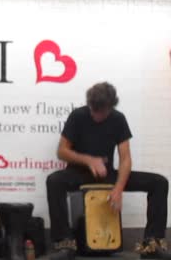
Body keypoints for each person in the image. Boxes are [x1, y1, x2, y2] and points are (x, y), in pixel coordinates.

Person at [46, 82, 170, 260]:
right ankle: (64, 244)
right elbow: (62, 151)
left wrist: (118, 189)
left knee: (159, 182)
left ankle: (152, 244)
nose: (96, 116)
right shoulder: (77, 116)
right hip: (79, 173)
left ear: (111, 107)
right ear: (89, 104)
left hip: (108, 174)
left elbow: (125, 158)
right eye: (93, 110)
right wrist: (89, 160)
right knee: (54, 181)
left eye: (102, 112)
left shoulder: (118, 119)